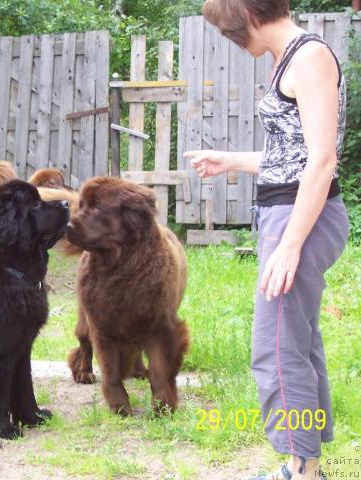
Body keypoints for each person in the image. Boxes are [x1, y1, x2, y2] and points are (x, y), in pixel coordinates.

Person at [184, 1, 350, 479]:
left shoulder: (310, 58)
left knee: (275, 348)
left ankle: (300, 469)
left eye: (229, 31)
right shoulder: (289, 58)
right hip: (288, 213)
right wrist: (229, 160)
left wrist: (292, 243)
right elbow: (290, 154)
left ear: (249, 19)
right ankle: (308, 467)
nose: (231, 41)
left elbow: (321, 162)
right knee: (296, 342)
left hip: (303, 219)